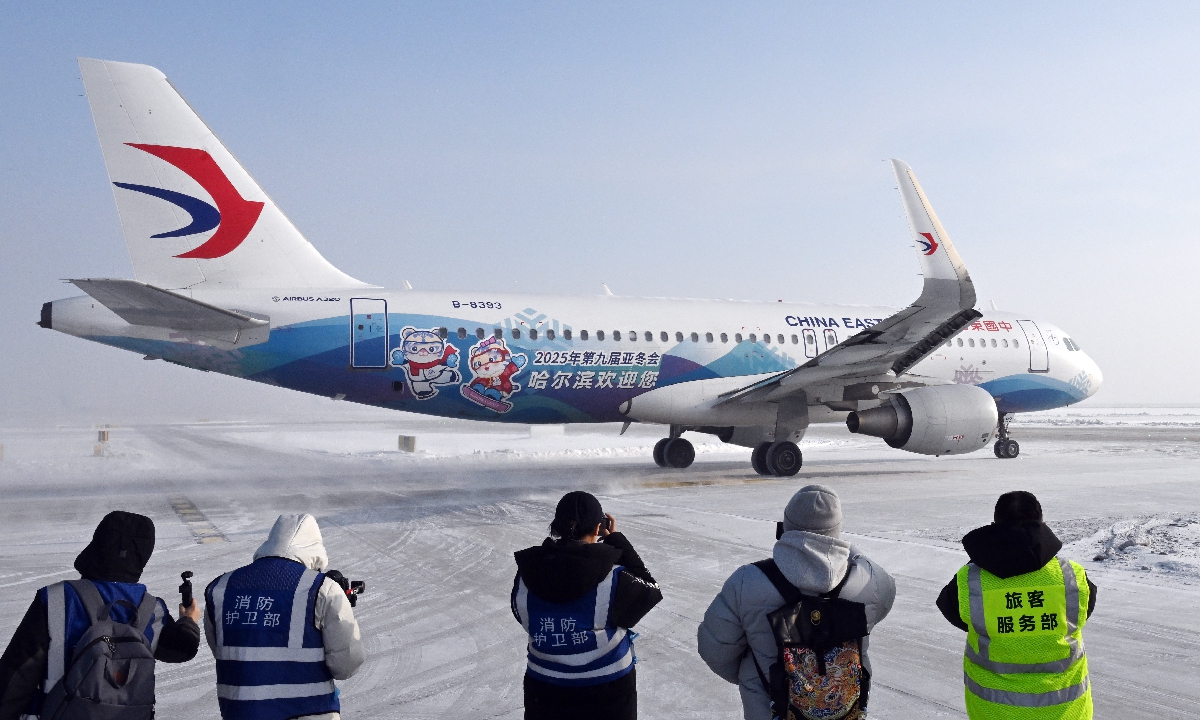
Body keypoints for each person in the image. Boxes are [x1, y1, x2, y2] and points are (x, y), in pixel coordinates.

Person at [698, 484, 896, 720]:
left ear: (786, 527)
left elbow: (715, 649)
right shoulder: (869, 581)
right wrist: (842, 546)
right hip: (843, 711)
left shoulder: (747, 580)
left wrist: (754, 674)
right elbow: (881, 601)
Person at [0, 511, 201, 719]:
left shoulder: (56, 598)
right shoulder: (152, 610)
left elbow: (16, 675)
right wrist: (188, 620)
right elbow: (182, 649)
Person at [936, 491, 1097, 719]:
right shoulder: (1071, 576)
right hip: (1066, 712)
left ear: (994, 526)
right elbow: (1083, 612)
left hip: (993, 711)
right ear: (1043, 524)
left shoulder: (969, 580)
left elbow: (954, 612)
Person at [511, 491, 662, 720]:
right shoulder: (614, 577)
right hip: (607, 691)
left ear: (556, 527)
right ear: (598, 529)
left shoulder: (526, 574)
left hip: (544, 689)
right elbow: (651, 591)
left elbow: (521, 613)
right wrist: (617, 541)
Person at [203, 514, 365, 720]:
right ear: (314, 549)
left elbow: (225, 651)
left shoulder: (220, 588)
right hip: (308, 713)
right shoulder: (322, 589)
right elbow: (347, 664)